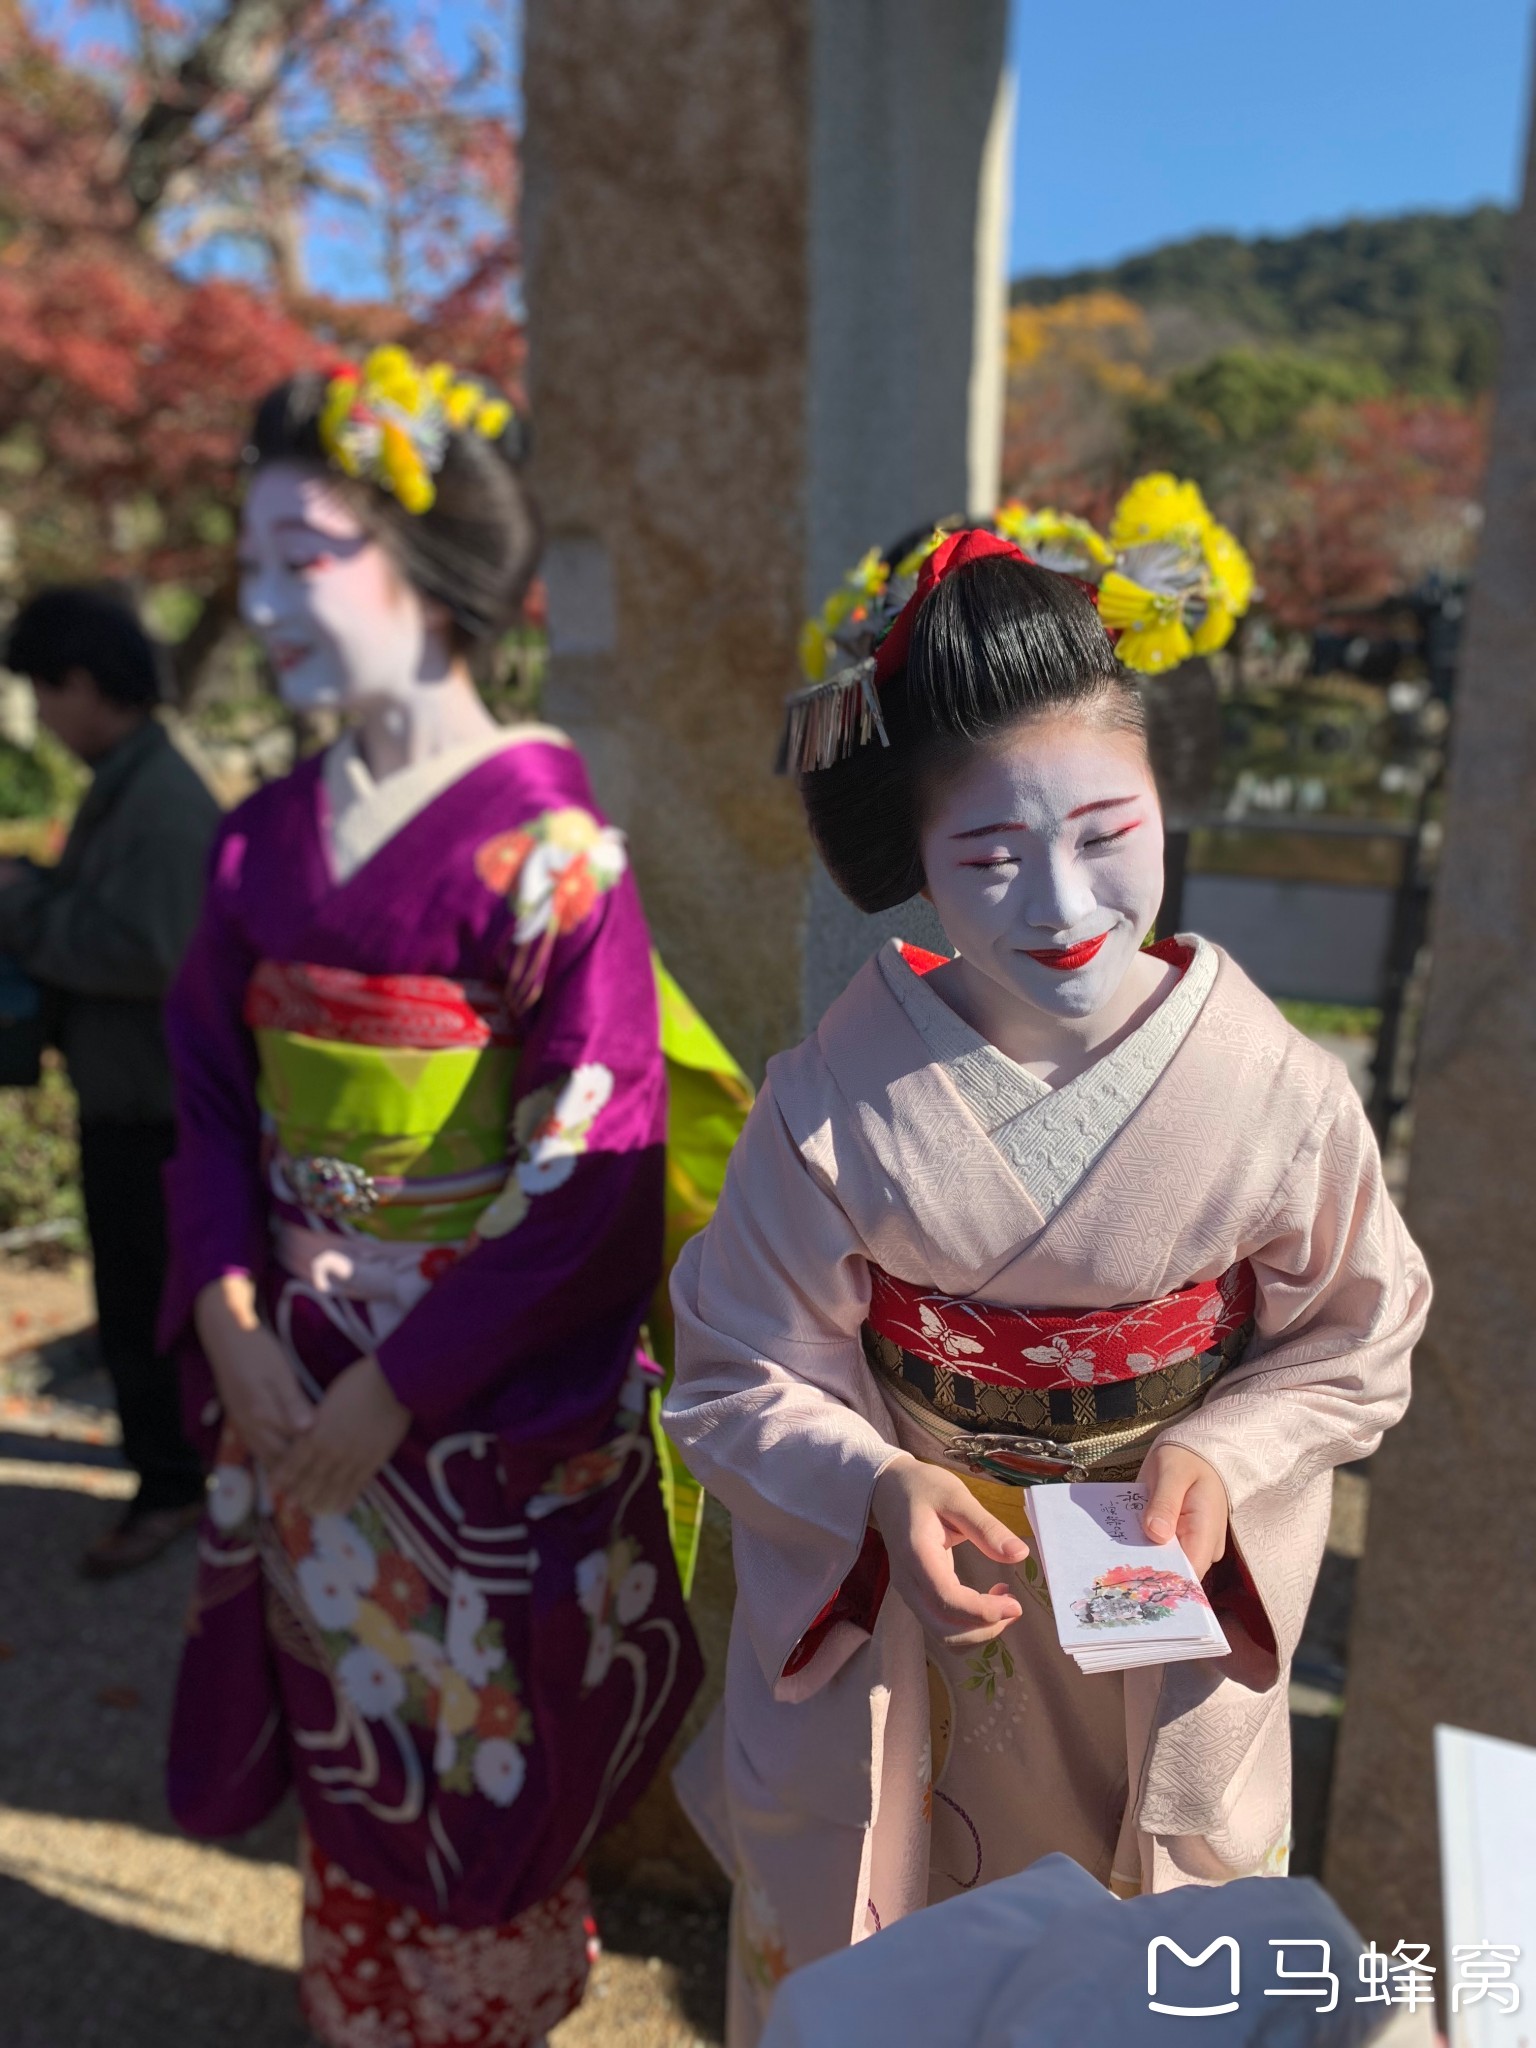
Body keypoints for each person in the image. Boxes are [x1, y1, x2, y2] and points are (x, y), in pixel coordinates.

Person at [662, 529, 1429, 2045]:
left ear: (1165, 800)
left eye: (1106, 830)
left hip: (1165, 1575)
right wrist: (875, 1482)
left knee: (1161, 1947)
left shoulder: (1274, 1091)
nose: (1064, 903)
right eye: (991, 858)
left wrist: (1225, 1447)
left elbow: (1360, 1330)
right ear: (914, 861)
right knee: (907, 1938)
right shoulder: (831, 1102)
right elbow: (735, 1368)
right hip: (929, 1600)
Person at [161, 348, 701, 2048]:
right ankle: (365, 2005)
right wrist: (231, 1319)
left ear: (440, 567)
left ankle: (477, 2015)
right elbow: (206, 1110)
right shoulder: (258, 843)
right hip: (298, 1373)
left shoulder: (551, 855)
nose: (264, 601)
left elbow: (589, 1183)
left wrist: (400, 1384)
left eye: (302, 554)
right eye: (249, 563)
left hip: (463, 1412)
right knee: (348, 1724)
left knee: (482, 1750)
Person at [0, 586, 218, 1575]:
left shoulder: (161, 799)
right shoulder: (127, 781)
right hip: (131, 1090)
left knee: (148, 1305)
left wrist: (29, 909)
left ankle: (174, 1485)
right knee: (144, 1297)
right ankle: (178, 1473)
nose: (42, 718)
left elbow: (153, 949)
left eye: (45, 695)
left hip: (155, 1103)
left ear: (83, 684)